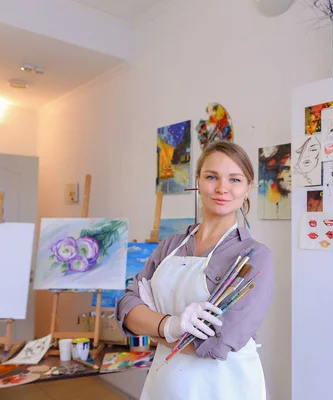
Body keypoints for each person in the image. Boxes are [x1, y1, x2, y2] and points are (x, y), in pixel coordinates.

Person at [116, 141, 274, 400]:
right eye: (212, 177)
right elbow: (126, 307)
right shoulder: (170, 246)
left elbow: (216, 344)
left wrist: (153, 326)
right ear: (198, 182)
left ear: (247, 189)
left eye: (234, 179)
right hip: (165, 385)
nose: (222, 188)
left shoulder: (254, 256)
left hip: (224, 388)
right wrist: (173, 326)